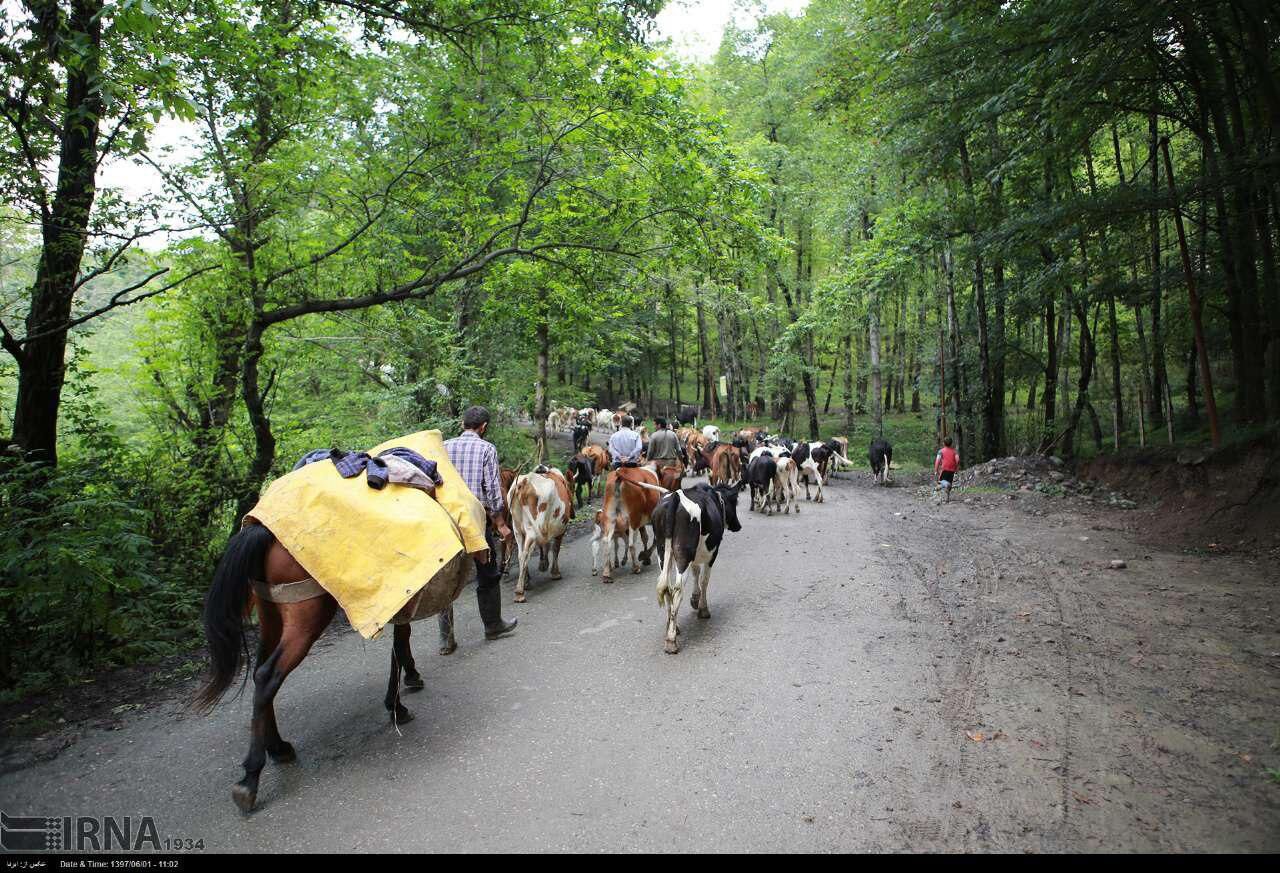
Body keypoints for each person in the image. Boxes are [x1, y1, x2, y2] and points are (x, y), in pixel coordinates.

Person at [444, 406, 518, 639]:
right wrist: (500, 523)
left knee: (447, 578)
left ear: (462, 424)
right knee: (487, 572)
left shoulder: (444, 447)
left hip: (447, 521)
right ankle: (492, 625)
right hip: (476, 521)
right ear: (483, 427)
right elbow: (494, 492)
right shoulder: (487, 449)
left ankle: (446, 639)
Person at [934, 436, 960, 503]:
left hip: (944, 469)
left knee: (941, 482)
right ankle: (947, 499)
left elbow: (937, 461)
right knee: (949, 483)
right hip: (952, 470)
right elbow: (957, 460)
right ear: (951, 443)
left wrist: (936, 470)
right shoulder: (955, 452)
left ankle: (940, 491)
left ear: (943, 443)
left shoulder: (941, 451)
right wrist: (957, 468)